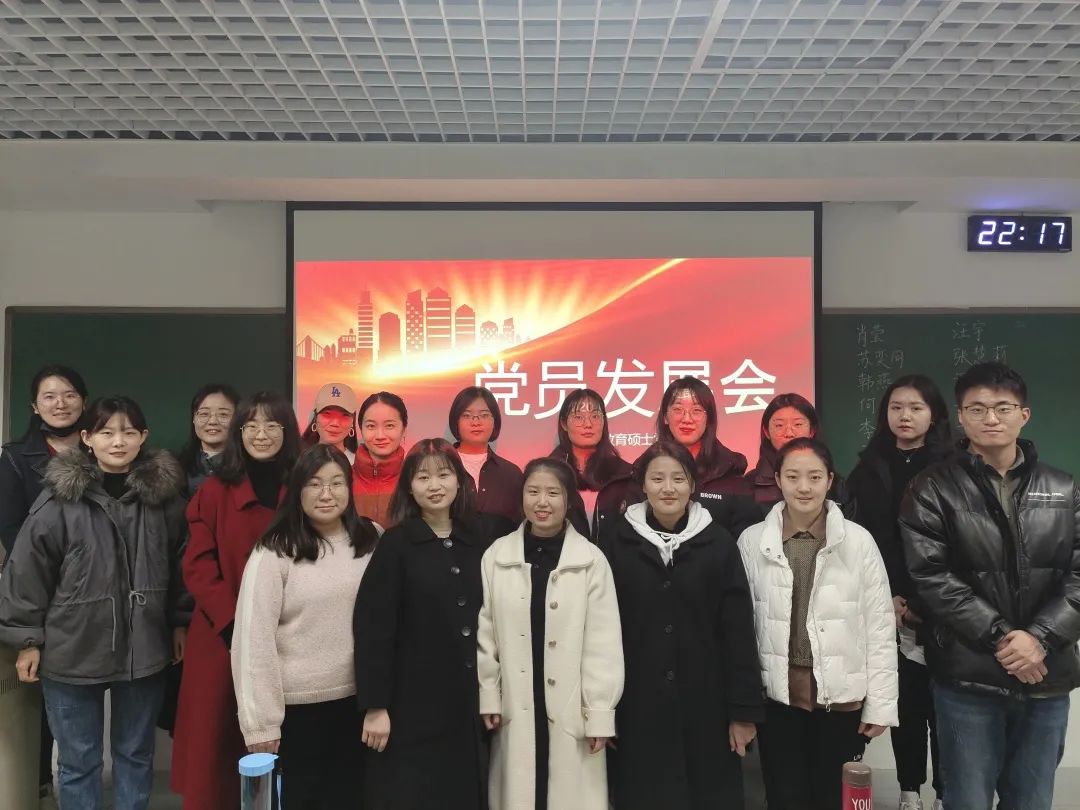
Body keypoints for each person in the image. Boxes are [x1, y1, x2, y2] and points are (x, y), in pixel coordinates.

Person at [900, 362, 1080, 810]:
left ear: (1024, 415)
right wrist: (1003, 638)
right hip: (968, 679)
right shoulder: (931, 489)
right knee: (967, 800)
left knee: (1031, 801)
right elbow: (931, 577)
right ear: (961, 417)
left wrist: (1038, 639)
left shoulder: (1063, 489)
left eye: (1003, 407)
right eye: (977, 409)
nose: (991, 418)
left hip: (1045, 677)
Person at [0, 395, 188, 810]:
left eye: (128, 432)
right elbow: (26, 571)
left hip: (144, 647)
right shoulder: (57, 501)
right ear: (87, 438)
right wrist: (28, 640)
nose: (118, 441)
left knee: (135, 755)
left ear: (143, 437)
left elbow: (182, 566)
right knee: (78, 761)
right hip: (71, 649)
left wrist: (179, 621)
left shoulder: (166, 501)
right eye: (106, 432)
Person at [599, 440, 762, 809]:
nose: (668, 488)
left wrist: (743, 712)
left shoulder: (718, 543)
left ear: (692, 484)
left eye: (678, 478)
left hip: (708, 706)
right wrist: (602, 710)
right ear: (643, 485)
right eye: (657, 479)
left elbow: (737, 632)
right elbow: (601, 633)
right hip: (636, 706)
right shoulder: (617, 543)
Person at [738, 437, 897, 810]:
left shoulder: (858, 542)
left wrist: (881, 705)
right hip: (776, 696)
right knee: (784, 796)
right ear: (778, 479)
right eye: (793, 476)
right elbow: (740, 629)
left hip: (840, 698)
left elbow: (879, 626)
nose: (804, 487)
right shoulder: (752, 541)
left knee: (832, 797)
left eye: (814, 476)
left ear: (830, 480)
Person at [353, 439, 503, 810]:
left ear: (459, 481)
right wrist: (375, 705)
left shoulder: (481, 541)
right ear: (409, 486)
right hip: (412, 708)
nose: (434, 486)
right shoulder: (396, 545)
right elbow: (374, 628)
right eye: (423, 477)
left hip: (469, 704)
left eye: (443, 475)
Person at [171, 392, 301, 810]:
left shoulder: (302, 487)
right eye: (251, 426)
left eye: (272, 425)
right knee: (217, 747)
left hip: (290, 634)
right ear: (238, 433)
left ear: (287, 431)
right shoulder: (213, 491)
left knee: (288, 747)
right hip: (220, 635)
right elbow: (197, 565)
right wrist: (235, 627)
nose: (261, 434)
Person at [232, 444, 380, 810]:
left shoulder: (372, 538)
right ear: (297, 490)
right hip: (299, 713)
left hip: (361, 705)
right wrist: (261, 724)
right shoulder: (274, 551)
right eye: (314, 484)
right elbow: (253, 640)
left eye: (336, 483)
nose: (326, 494)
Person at [477, 458, 623, 810]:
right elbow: (487, 633)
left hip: (573, 711)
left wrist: (599, 712)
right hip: (515, 704)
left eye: (553, 493)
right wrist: (489, 695)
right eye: (533, 492)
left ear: (569, 500)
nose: (542, 502)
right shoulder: (497, 557)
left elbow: (603, 644)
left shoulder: (591, 561)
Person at [847, 374, 953, 810]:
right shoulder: (867, 467)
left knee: (945, 708)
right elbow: (861, 538)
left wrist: (923, 599)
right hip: (884, 602)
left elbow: (958, 543)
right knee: (904, 704)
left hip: (942, 604)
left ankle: (946, 792)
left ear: (934, 415)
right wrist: (885, 596)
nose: (905, 416)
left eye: (915, 407)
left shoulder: (954, 466)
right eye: (896, 407)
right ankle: (909, 791)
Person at [0, 363, 88, 797]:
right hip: (41, 591)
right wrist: (54, 573)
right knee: (40, 699)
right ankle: (39, 787)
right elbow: (11, 529)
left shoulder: (104, 447)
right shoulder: (16, 458)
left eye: (69, 394)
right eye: (49, 396)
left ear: (83, 401)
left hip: (97, 590)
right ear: (35, 407)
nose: (60, 403)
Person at [656, 376, 760, 538]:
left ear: (709, 418)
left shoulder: (730, 475)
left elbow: (747, 541)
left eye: (696, 410)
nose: (687, 419)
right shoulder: (645, 473)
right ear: (665, 417)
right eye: (678, 409)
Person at [746, 392, 856, 518]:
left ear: (812, 431)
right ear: (766, 432)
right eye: (779, 425)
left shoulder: (836, 485)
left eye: (798, 424)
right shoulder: (749, 484)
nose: (789, 433)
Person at [548, 388, 638, 538]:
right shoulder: (548, 474)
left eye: (595, 416)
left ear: (604, 422)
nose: (588, 424)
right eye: (578, 417)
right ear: (564, 424)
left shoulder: (625, 474)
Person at [449, 385, 524, 523]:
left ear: (495, 421)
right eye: (467, 415)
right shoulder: (442, 466)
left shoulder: (511, 474)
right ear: (456, 421)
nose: (476, 422)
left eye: (484, 415)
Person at [353, 391, 407, 527]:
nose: (380, 436)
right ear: (361, 429)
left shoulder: (414, 478)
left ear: (404, 429)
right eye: (371, 426)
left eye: (389, 425)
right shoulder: (343, 479)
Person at [178, 383, 239, 498]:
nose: (212, 421)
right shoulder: (177, 468)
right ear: (194, 418)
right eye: (204, 414)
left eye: (223, 414)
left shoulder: (248, 467)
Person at [301, 382, 359, 464]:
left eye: (344, 415)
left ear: (352, 421)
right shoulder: (299, 462)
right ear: (315, 418)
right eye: (327, 413)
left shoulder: (358, 465)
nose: (335, 423)